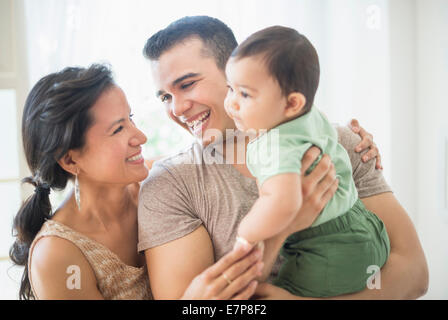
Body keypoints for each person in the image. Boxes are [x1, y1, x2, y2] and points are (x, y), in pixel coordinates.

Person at [139, 15, 427, 299]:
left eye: (187, 84)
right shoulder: (171, 185)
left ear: (233, 71)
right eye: (165, 97)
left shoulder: (339, 142)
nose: (176, 109)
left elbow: (414, 274)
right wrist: (284, 228)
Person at [10, 64, 263, 300]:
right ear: (70, 160)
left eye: (130, 118)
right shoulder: (57, 255)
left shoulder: (166, 181)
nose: (140, 137)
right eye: (118, 129)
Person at [224, 25, 390, 297]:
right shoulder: (307, 116)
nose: (231, 103)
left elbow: (284, 201)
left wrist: (247, 232)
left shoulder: (275, 144)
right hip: (365, 225)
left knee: (270, 293)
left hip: (327, 248)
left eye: (244, 94)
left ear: (291, 104)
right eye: (229, 89)